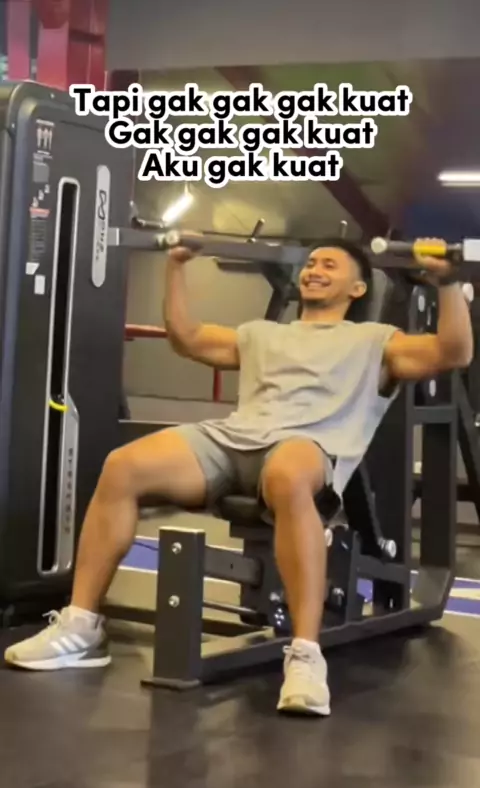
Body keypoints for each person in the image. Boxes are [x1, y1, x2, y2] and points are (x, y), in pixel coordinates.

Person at [4, 236, 472, 716]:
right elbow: (187, 337)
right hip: (232, 440)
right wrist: (176, 265)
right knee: (123, 466)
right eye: (311, 262)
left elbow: (452, 353)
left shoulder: (376, 341)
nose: (314, 270)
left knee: (288, 473)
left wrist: (448, 283)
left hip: (305, 448)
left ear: (358, 288)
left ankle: (305, 656)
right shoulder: (261, 334)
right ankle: (82, 625)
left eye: (329, 265)